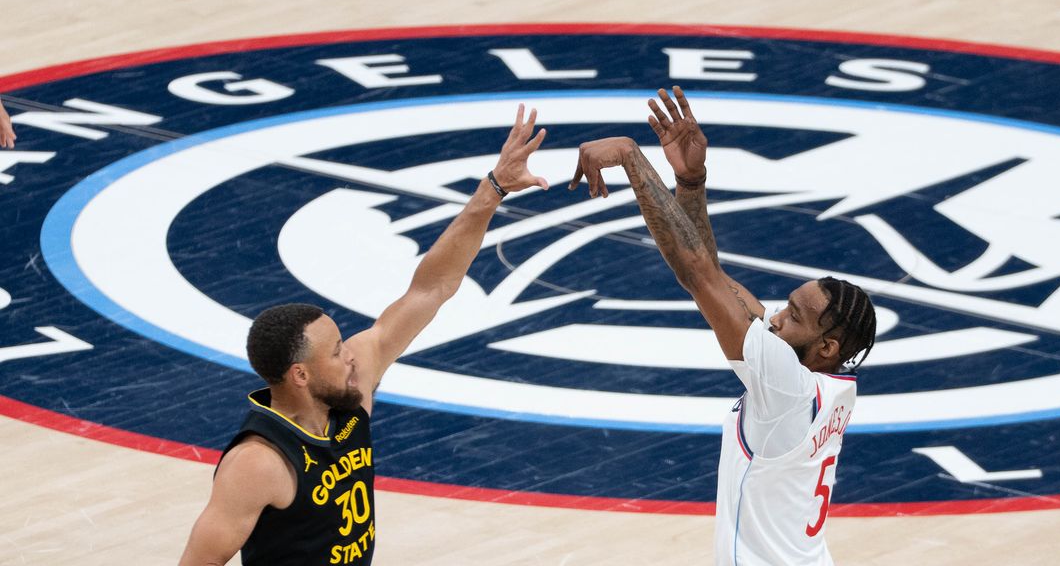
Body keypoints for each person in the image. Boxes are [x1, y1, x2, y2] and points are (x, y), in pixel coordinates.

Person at [179, 104, 549, 566]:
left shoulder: (347, 391)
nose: (351, 356)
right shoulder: (259, 463)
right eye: (335, 352)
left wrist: (491, 190)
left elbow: (432, 288)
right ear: (300, 375)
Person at [569, 87, 876, 566]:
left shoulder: (785, 382)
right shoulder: (826, 384)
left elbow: (697, 275)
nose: (774, 317)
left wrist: (632, 156)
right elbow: (711, 277)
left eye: (793, 316)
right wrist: (691, 183)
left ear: (828, 346)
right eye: (784, 306)